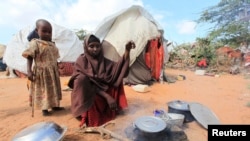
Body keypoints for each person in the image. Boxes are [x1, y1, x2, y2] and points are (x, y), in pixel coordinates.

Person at [68, 34, 135, 127]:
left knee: (117, 78)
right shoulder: (81, 61)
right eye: (91, 46)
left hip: (101, 90)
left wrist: (127, 51)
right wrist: (107, 96)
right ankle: (84, 113)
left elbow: (119, 70)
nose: (95, 49)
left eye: (98, 46)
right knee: (81, 79)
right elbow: (86, 84)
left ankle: (115, 108)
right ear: (86, 47)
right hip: (89, 93)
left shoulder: (104, 62)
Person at [22, 19, 64, 116]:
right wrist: (29, 71)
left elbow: (55, 57)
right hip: (42, 72)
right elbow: (29, 56)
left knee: (53, 88)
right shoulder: (35, 43)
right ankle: (44, 109)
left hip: (52, 72)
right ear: (37, 31)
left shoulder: (52, 44)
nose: (47, 34)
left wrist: (57, 67)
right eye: (44, 31)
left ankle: (55, 105)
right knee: (44, 90)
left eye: (49, 32)